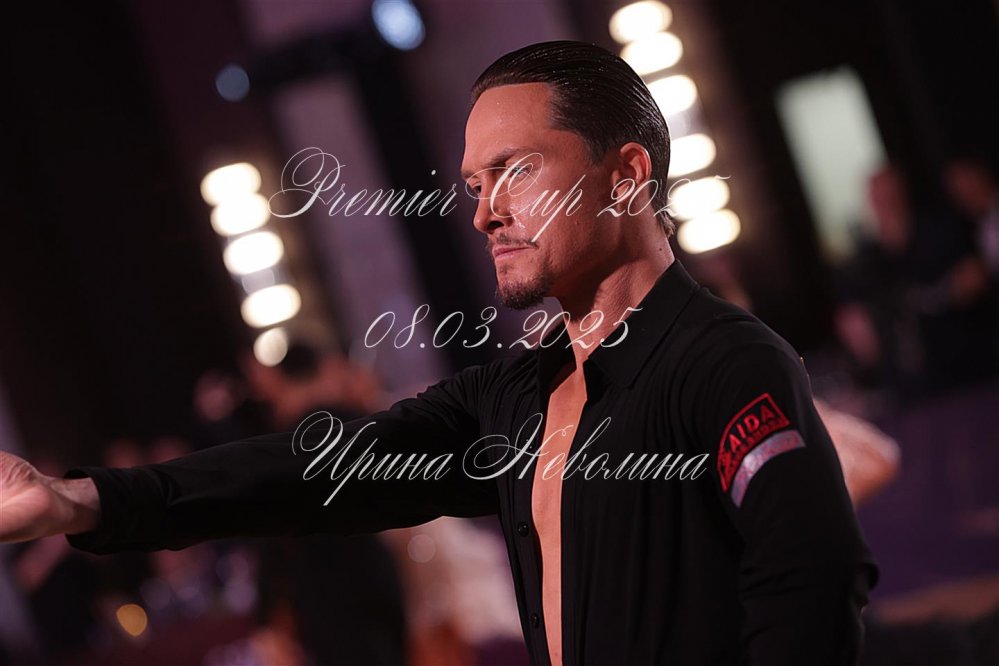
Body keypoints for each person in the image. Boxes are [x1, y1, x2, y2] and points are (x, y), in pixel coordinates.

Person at [0, 41, 876, 665]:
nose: (485, 212)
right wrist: (84, 501)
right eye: (473, 184)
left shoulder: (726, 362)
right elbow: (308, 473)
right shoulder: (512, 404)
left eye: (516, 170)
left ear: (625, 175)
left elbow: (810, 588)